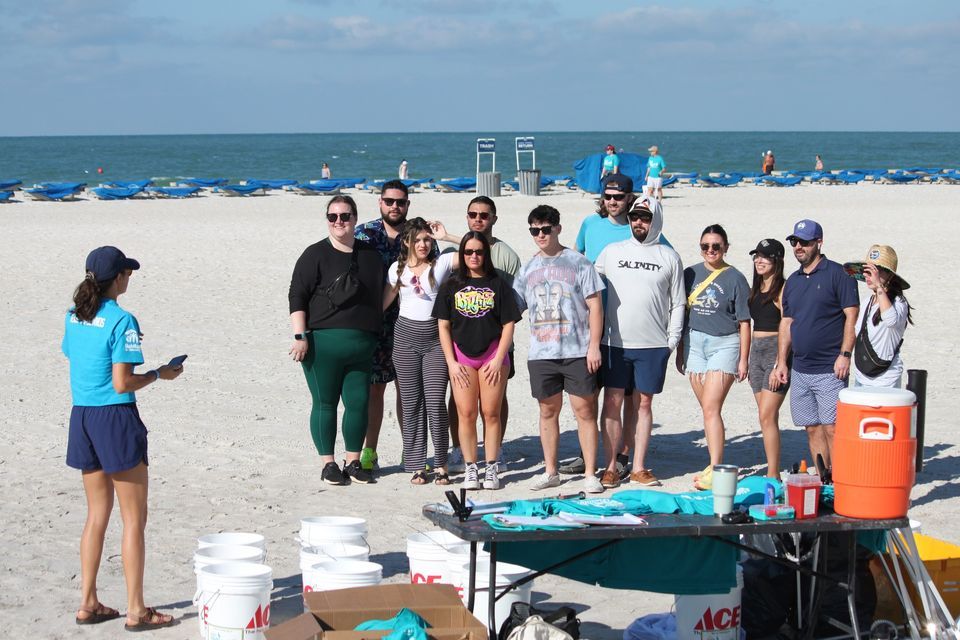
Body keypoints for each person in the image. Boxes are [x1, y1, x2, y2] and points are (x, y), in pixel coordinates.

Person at [62, 246, 182, 631]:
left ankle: (88, 601)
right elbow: (122, 382)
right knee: (134, 520)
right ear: (117, 278)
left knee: (96, 515)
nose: (130, 277)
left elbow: (75, 357)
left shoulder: (73, 316)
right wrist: (158, 375)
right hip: (114, 418)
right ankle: (136, 610)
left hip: (82, 417)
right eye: (127, 273)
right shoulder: (122, 320)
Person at [566, 174, 671, 479]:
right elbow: (578, 262)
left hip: (630, 331)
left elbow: (665, 259)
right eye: (608, 196)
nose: (613, 201)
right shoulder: (590, 224)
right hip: (592, 322)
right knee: (591, 392)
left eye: (619, 196)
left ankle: (623, 455)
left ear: (629, 198)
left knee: (627, 396)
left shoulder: (642, 226)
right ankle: (590, 454)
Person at [289, 195, 384, 485]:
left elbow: (381, 295)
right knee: (325, 403)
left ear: (355, 219)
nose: (339, 222)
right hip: (322, 344)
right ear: (327, 220)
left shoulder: (371, 255)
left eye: (345, 216)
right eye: (333, 217)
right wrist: (299, 335)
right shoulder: (314, 254)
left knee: (358, 402)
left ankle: (353, 461)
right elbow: (297, 296)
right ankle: (328, 463)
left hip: (362, 344)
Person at [513, 205, 605, 494]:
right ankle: (551, 471)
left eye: (545, 229)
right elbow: (514, 308)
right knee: (547, 411)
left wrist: (594, 347)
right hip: (542, 353)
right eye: (534, 230)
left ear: (558, 229)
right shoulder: (526, 268)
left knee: (585, 410)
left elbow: (595, 306)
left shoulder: (579, 263)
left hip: (577, 349)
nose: (540, 235)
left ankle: (590, 472)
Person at [595, 196, 684, 488]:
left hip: (653, 345)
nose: (638, 223)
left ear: (655, 220)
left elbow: (678, 304)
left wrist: (671, 341)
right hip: (615, 343)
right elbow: (590, 287)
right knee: (612, 401)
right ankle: (610, 467)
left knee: (644, 404)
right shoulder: (611, 252)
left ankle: (639, 467)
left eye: (645, 218)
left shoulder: (669, 257)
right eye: (635, 217)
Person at [430, 196, 521, 472]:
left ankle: (497, 452)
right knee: (460, 403)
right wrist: (446, 237)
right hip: (462, 346)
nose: (478, 219)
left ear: (494, 218)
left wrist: (501, 349)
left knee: (495, 401)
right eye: (473, 214)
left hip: (497, 343)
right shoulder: (454, 257)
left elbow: (515, 304)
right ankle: (460, 449)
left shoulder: (507, 256)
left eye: (484, 214)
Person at [771, 219, 858, 468]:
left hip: (830, 368)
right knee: (810, 427)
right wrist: (781, 362)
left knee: (833, 427)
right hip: (800, 368)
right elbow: (787, 322)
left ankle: (841, 478)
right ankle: (824, 477)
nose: (799, 247)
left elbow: (851, 315)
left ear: (818, 242)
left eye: (805, 242)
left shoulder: (839, 274)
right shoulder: (793, 282)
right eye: (794, 242)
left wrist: (845, 354)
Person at [355, 180, 426, 472]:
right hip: (375, 325)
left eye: (400, 202)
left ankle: (411, 452)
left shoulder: (417, 235)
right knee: (374, 390)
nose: (394, 206)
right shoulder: (365, 234)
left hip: (412, 323)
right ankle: (369, 452)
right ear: (380, 203)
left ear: (407, 205)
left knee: (409, 391)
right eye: (389, 201)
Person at [677, 225, 751, 490]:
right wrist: (681, 351)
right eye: (705, 246)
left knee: (711, 407)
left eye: (716, 246)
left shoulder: (736, 278)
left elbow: (744, 321)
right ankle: (713, 463)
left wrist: (743, 359)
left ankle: (717, 468)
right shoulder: (690, 273)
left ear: (726, 248)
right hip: (695, 343)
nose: (710, 251)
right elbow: (683, 314)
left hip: (725, 343)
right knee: (708, 410)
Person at [383, 218, 456, 484]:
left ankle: (441, 464)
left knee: (436, 402)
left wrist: (447, 235)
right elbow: (385, 302)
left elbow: (480, 250)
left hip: (436, 339)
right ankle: (416, 465)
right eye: (417, 239)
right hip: (405, 338)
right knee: (411, 403)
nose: (423, 244)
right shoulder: (395, 270)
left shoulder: (443, 264)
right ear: (406, 242)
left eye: (427, 239)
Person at [747, 239, 789, 478]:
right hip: (756, 352)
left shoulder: (782, 289)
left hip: (775, 351)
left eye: (765, 257)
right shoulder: (757, 286)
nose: (759, 261)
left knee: (767, 415)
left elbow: (788, 325)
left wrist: (779, 363)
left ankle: (773, 474)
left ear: (777, 261)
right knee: (764, 417)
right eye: (756, 256)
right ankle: (771, 469)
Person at [843, 245, 913, 388]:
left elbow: (891, 320)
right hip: (862, 377)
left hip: (886, 380)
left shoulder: (899, 302)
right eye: (867, 271)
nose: (869, 276)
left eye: (876, 271)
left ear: (890, 275)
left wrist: (879, 287)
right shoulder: (867, 302)